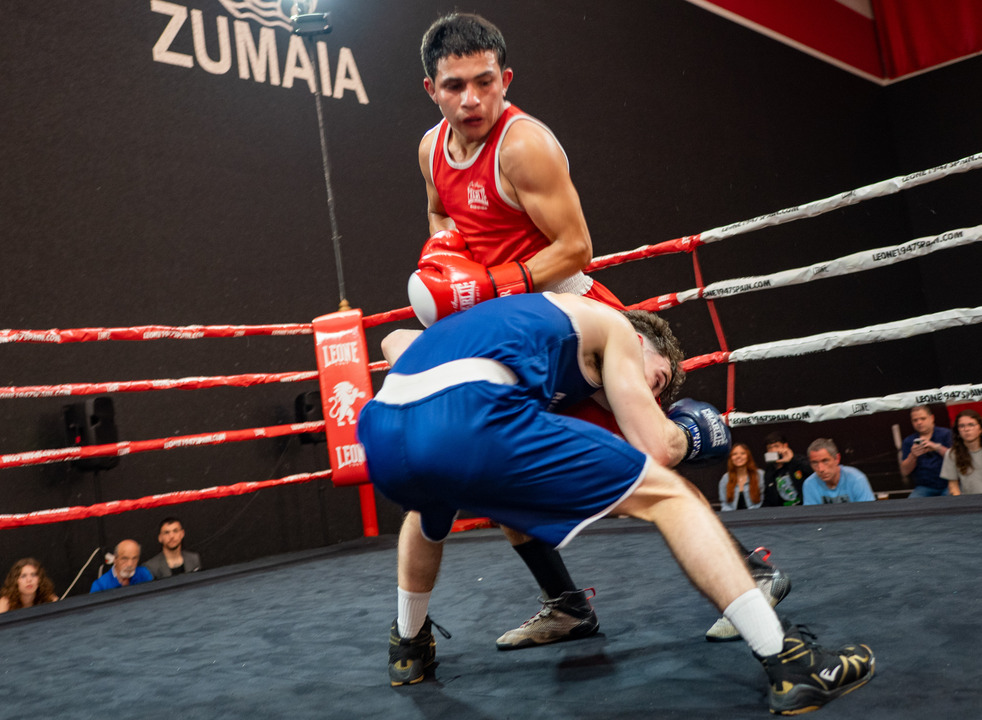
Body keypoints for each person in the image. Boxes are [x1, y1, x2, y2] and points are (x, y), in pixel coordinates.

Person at [408, 11, 788, 652]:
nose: (471, 99)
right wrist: (448, 264)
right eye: (454, 86)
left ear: (505, 79)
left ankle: (751, 571)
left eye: (484, 82)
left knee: (638, 462)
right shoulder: (430, 150)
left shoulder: (524, 146)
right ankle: (565, 606)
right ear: (431, 89)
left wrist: (491, 284)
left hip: (573, 320)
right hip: (507, 332)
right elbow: (440, 216)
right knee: (494, 463)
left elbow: (576, 246)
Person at [360, 293, 874, 715]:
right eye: (657, 380)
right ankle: (791, 662)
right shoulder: (616, 329)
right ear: (645, 343)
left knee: (428, 514)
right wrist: (692, 434)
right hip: (472, 413)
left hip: (383, 433)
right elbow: (656, 446)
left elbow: (395, 340)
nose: (650, 394)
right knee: (670, 495)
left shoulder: (508, 324)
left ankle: (408, 648)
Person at [900, 405, 952, 497]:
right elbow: (904, 472)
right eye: (915, 420)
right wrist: (913, 456)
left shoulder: (946, 434)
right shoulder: (909, 441)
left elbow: (957, 460)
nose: (919, 422)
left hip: (948, 484)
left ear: (932, 418)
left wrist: (937, 447)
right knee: (911, 504)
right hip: (924, 487)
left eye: (923, 418)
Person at [802, 439, 876, 505]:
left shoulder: (856, 479)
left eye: (825, 461)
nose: (821, 469)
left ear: (837, 459)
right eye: (815, 463)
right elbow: (811, 515)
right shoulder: (809, 484)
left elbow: (868, 512)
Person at [761, 432, 810, 507]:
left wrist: (792, 460)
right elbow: (768, 498)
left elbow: (812, 472)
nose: (773, 450)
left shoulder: (798, 461)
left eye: (776, 446)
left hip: (804, 506)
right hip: (783, 510)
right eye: (769, 448)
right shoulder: (769, 471)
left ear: (785, 446)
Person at [941, 409, 982, 495]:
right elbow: (953, 485)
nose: (966, 429)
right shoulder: (952, 454)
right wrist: (960, 501)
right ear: (958, 431)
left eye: (971, 425)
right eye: (962, 426)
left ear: (980, 429)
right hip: (969, 501)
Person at [718, 443, 765, 511]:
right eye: (734, 454)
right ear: (731, 458)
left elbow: (763, 501)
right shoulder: (725, 479)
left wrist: (750, 514)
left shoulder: (760, 475)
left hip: (756, 514)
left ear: (748, 456)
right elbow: (724, 504)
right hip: (732, 516)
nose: (738, 456)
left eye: (743, 453)